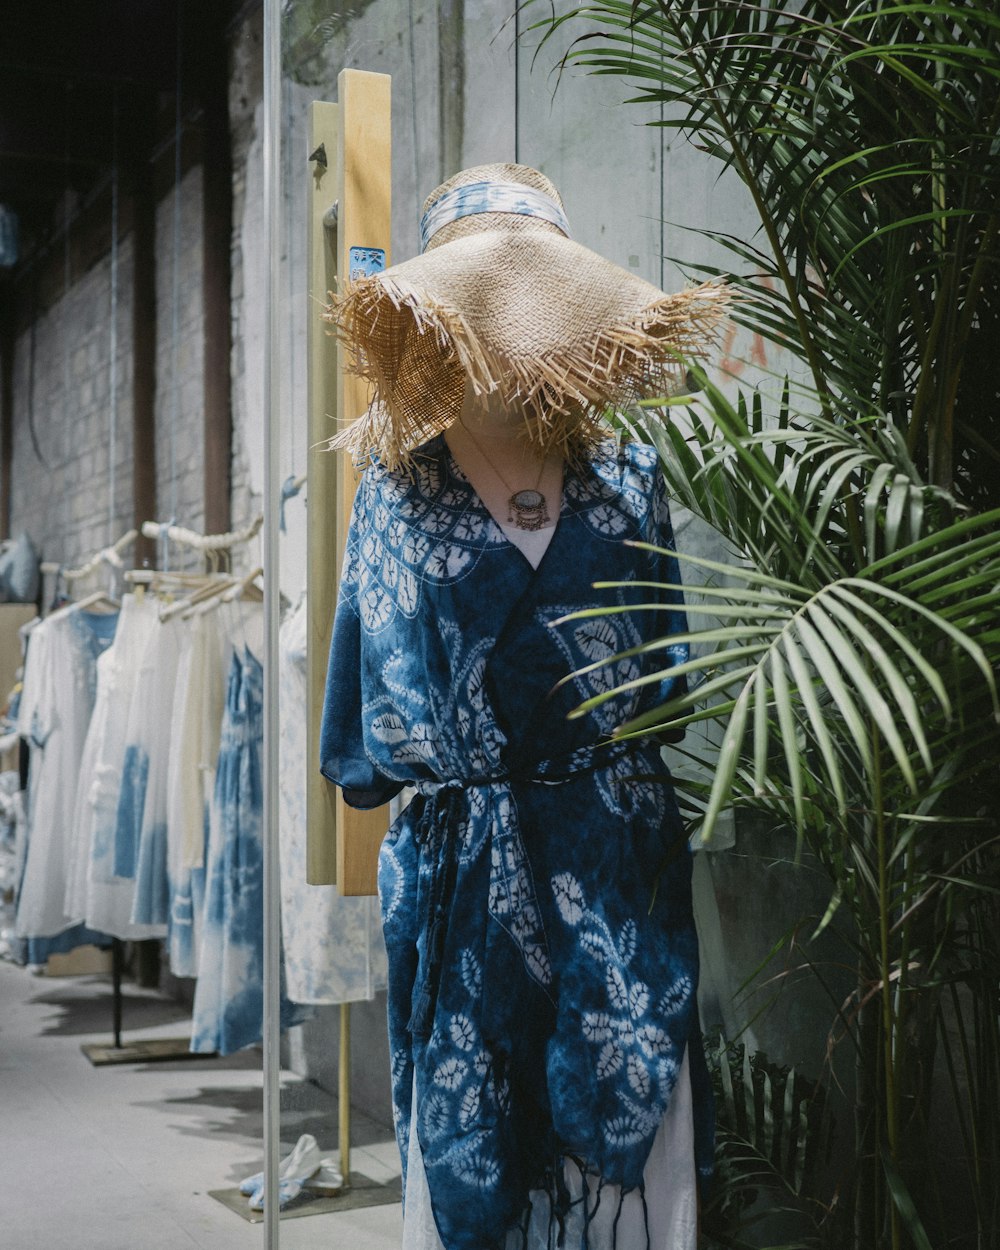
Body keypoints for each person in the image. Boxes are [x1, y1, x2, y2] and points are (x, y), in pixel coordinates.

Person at [320, 163, 729, 1250]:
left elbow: (666, 683)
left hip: (612, 877)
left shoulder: (629, 478)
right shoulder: (394, 490)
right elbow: (357, 719)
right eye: (479, 301)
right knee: (475, 1176)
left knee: (628, 1178)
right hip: (458, 889)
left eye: (531, 296)